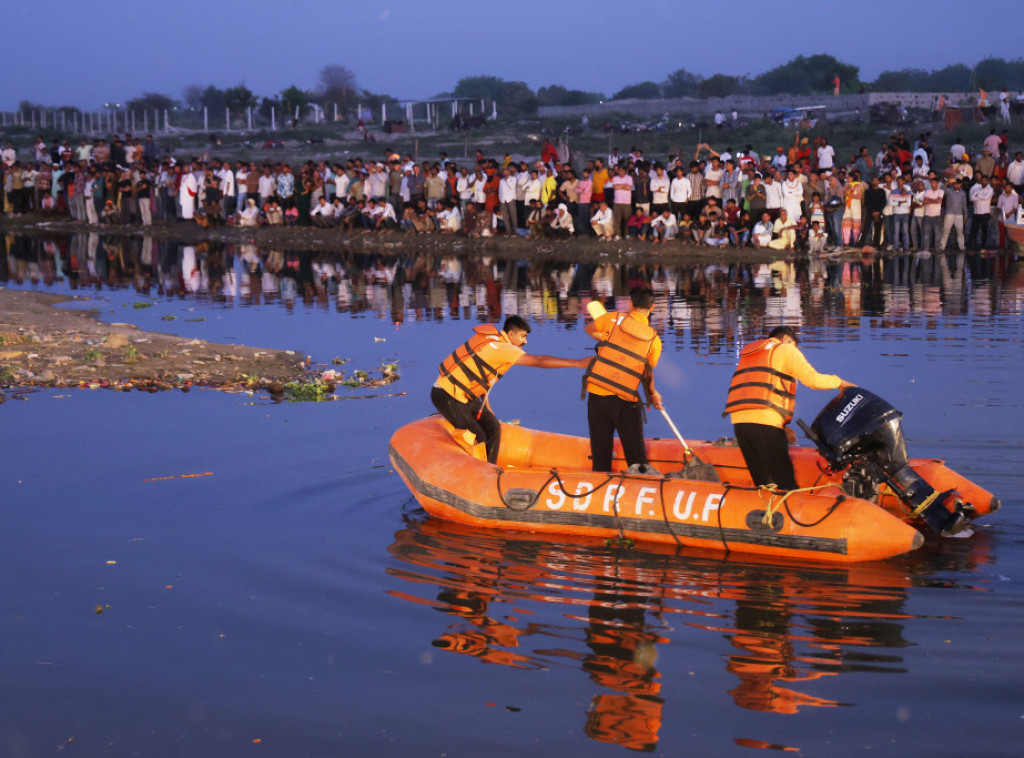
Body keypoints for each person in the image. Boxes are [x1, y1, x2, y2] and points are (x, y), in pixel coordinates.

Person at [431, 315, 588, 465]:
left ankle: (489, 468)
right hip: (447, 395)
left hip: (463, 395)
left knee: (493, 426)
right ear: (511, 334)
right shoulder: (503, 349)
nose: (525, 341)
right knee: (477, 435)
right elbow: (539, 361)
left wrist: (487, 406)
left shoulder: (493, 340)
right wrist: (577, 363)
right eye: (522, 336)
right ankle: (476, 471)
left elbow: (480, 375)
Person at [724, 326, 853, 491]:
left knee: (763, 484)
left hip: (740, 423)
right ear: (786, 339)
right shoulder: (785, 349)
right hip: (766, 422)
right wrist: (840, 382)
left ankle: (765, 506)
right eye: (795, 345)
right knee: (785, 485)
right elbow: (813, 379)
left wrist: (781, 427)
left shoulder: (752, 354)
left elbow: (756, 392)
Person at [583, 287, 663, 473]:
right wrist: (653, 394)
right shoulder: (654, 340)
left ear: (630, 303)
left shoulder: (612, 318)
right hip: (624, 400)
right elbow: (647, 373)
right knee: (637, 460)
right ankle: (639, 483)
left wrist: (605, 338)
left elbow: (589, 329)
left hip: (597, 395)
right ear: (652, 307)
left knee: (600, 456)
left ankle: (601, 484)